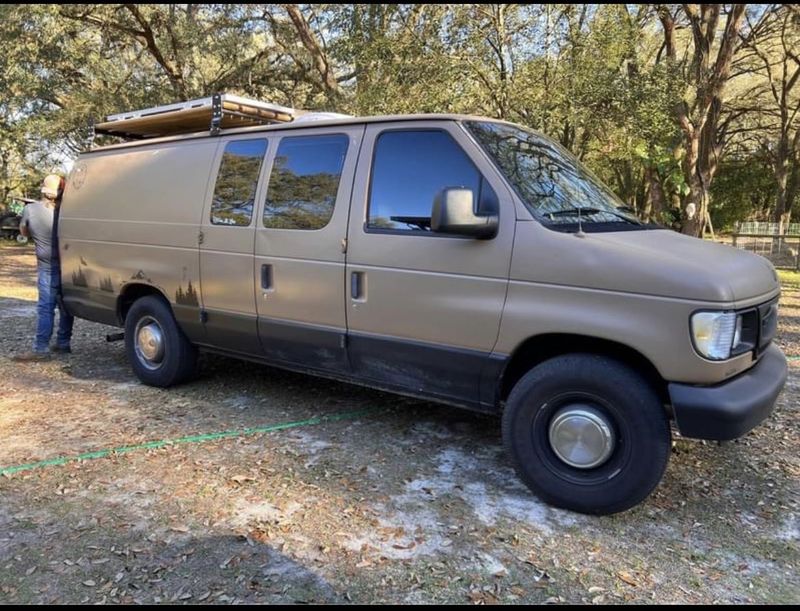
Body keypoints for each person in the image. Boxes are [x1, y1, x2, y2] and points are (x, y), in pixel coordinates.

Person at [12, 174, 74, 361]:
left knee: (46, 308)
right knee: (65, 306)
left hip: (47, 267)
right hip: (69, 265)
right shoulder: (67, 210)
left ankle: (41, 349)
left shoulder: (30, 209)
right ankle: (63, 343)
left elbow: (24, 231)